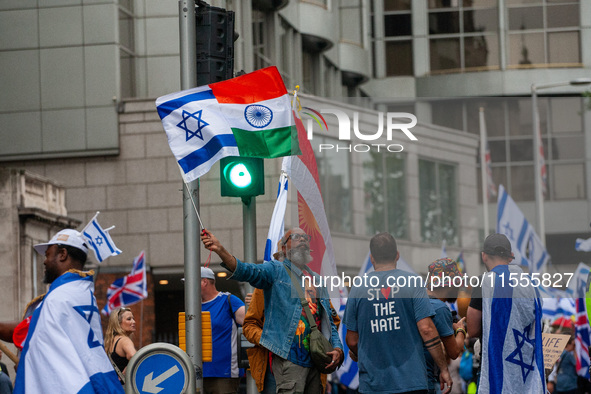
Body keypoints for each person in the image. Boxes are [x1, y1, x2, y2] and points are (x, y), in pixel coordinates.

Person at [201, 227, 344, 393]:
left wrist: (338, 347)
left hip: (316, 362)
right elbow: (247, 271)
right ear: (284, 248)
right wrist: (221, 250)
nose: (303, 240)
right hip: (289, 359)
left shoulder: (317, 280)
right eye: (297, 237)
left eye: (306, 237)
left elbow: (330, 322)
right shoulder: (275, 271)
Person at [13, 229, 123, 393]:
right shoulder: (81, 293)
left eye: (48, 255)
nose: (45, 261)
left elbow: (50, 357)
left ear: (62, 254)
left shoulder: (58, 299)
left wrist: (33, 368)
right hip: (95, 377)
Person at [343, 232, 453, 394]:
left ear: (372, 258)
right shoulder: (414, 282)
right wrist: (443, 368)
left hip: (374, 384)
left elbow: (352, 340)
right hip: (411, 382)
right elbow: (427, 329)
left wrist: (365, 354)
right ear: (397, 255)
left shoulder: (358, 288)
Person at [466, 233, 545, 393]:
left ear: (484, 256)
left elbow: (473, 329)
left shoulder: (485, 282)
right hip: (526, 373)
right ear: (511, 257)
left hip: (495, 371)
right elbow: (538, 325)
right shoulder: (531, 284)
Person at [243, 288, 341, 394]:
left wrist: (327, 345)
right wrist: (271, 339)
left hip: (314, 367)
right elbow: (250, 325)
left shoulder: (316, 283)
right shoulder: (268, 282)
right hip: (276, 367)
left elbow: (332, 322)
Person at [200, 266, 246, 394]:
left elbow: (252, 323)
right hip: (198, 372)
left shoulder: (228, 300)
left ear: (204, 282)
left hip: (224, 373)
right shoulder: (193, 306)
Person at [425, 258, 467, 394]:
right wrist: (460, 330)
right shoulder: (439, 308)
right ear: (450, 284)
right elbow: (454, 352)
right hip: (423, 381)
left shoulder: (417, 301)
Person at [104, 306, 137, 381]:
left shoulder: (112, 340)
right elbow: (134, 356)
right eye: (129, 319)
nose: (134, 322)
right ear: (118, 323)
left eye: (133, 318)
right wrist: (125, 373)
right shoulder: (124, 340)